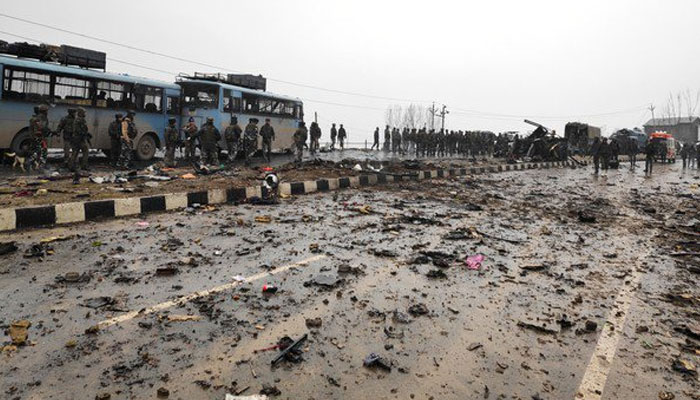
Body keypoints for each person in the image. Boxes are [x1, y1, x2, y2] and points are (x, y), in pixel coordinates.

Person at [28, 104, 51, 170]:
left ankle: (31, 165)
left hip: (34, 137)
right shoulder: (42, 117)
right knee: (43, 152)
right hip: (40, 137)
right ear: (43, 111)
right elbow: (42, 127)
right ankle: (41, 166)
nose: (47, 112)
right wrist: (49, 131)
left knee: (35, 151)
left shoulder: (34, 118)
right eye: (46, 111)